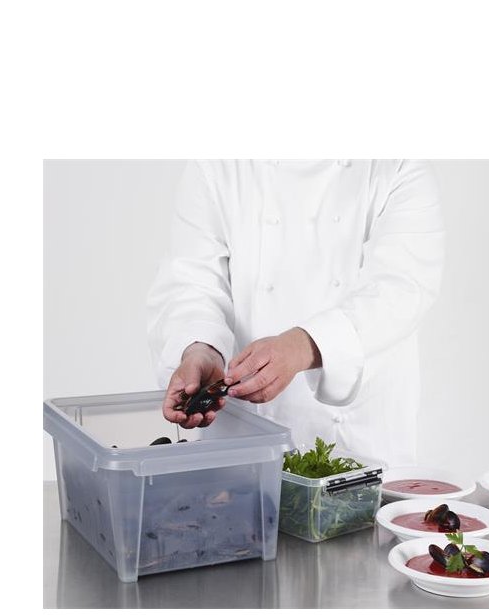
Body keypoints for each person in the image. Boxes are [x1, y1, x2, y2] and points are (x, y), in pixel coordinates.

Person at [146, 159, 444, 466]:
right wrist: (201, 348)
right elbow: (191, 282)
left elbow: (400, 290)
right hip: (241, 439)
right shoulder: (215, 164)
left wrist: (302, 346)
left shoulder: (398, 165)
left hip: (359, 440)